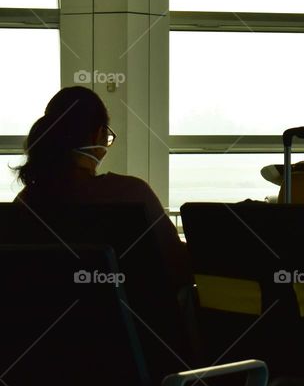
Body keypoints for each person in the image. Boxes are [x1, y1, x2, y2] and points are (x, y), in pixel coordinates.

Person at [13, 86, 191, 286]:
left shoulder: (25, 201)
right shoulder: (132, 193)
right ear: (99, 135)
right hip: (133, 306)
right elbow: (178, 266)